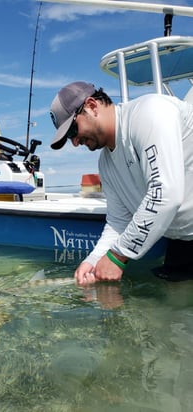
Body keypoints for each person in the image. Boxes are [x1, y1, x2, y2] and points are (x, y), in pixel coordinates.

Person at [49, 81, 193, 284]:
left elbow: (166, 194)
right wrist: (93, 259)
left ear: (91, 105)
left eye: (72, 130)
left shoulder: (150, 113)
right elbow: (118, 220)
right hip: (182, 239)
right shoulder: (105, 163)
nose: (74, 142)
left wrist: (117, 256)